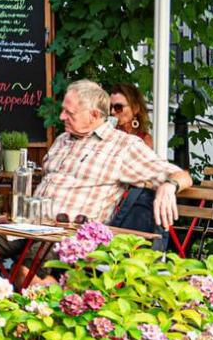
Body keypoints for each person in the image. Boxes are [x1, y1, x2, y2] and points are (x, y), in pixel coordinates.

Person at [39, 80, 192, 231]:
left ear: (94, 114)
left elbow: (181, 175)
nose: (61, 117)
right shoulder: (62, 139)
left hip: (67, 241)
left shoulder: (124, 145)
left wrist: (169, 185)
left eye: (69, 113)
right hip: (28, 230)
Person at [109, 82, 152, 147]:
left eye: (118, 107)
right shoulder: (110, 133)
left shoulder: (144, 140)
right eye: (110, 106)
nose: (112, 111)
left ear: (135, 109)